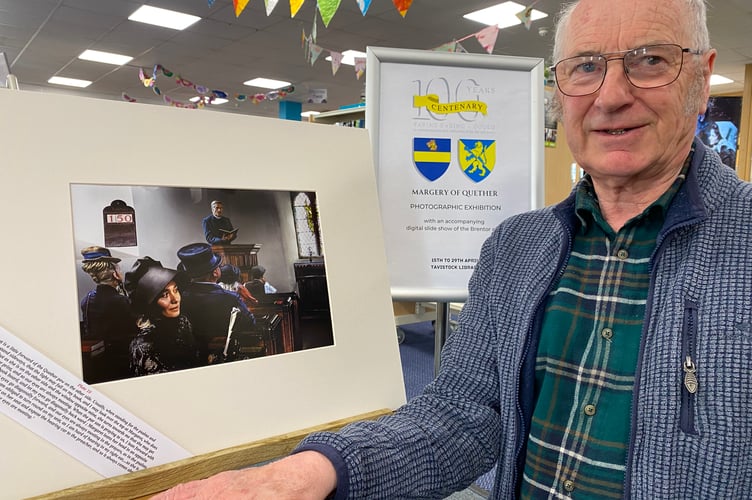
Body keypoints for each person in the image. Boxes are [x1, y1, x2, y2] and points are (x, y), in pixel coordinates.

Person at [156, 0, 752, 498]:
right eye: (586, 67)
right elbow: (462, 418)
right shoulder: (518, 248)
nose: (611, 95)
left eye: (649, 61)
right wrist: (302, 475)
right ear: (560, 88)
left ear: (702, 78)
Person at [176, 242, 255, 364]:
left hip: (189, 361)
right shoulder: (231, 298)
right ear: (215, 273)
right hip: (224, 359)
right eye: (219, 266)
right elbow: (250, 324)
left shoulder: (179, 299)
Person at [125, 257, 201, 376]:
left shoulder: (183, 322)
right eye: (165, 295)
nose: (175, 299)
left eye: (175, 290)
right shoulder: (143, 345)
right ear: (151, 303)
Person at [79, 245, 135, 382]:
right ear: (115, 273)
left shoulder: (86, 300)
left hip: (97, 364)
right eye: (117, 267)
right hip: (120, 363)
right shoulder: (121, 301)